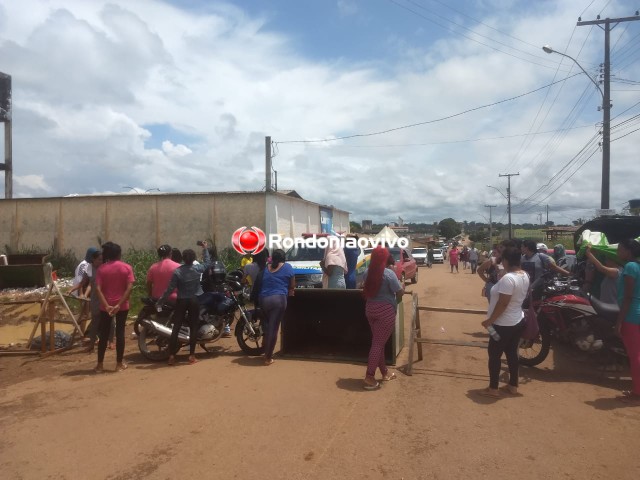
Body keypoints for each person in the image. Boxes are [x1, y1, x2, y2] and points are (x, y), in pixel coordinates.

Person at [480, 246, 530, 398]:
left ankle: (493, 388)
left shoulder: (509, 279)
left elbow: (503, 304)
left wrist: (490, 321)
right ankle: (513, 385)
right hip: (516, 321)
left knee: (494, 355)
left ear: (507, 261)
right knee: (511, 354)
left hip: (502, 324)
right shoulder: (524, 275)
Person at [158, 242, 211, 366]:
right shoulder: (197, 269)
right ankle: (191, 356)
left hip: (181, 300)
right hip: (193, 300)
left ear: (183, 258)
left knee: (175, 328)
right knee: (193, 327)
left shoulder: (178, 272)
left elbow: (169, 289)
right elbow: (207, 263)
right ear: (193, 259)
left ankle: (171, 356)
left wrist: (161, 301)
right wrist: (205, 249)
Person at [362, 246, 404, 390]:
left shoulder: (367, 272)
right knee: (378, 344)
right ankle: (369, 376)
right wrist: (396, 303)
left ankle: (385, 373)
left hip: (370, 309)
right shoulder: (389, 274)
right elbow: (399, 292)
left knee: (377, 342)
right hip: (385, 312)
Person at [95, 242, 135, 373]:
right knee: (120, 333)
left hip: (105, 307)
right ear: (118, 254)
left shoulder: (101, 269)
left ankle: (100, 365)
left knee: (104, 334)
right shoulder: (126, 267)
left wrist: (106, 305)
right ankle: (118, 364)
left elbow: (98, 289)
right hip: (122, 306)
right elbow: (129, 288)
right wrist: (119, 304)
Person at [259, 249, 295, 366]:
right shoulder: (288, 267)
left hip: (263, 300)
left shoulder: (267, 267)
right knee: (273, 329)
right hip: (278, 300)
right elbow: (292, 286)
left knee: (268, 326)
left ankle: (265, 351)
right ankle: (268, 357)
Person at [615, 238, 640, 403]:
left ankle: (637, 393)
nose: (618, 252)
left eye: (620, 249)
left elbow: (628, 297)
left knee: (635, 356)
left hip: (631, 315)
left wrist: (619, 321)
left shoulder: (630, 267)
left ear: (628, 251)